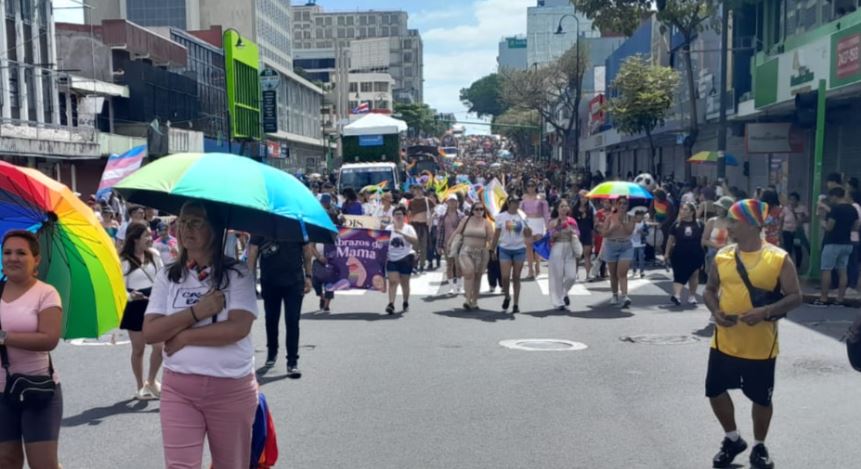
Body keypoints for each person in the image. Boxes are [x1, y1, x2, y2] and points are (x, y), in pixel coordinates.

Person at [144, 201, 259, 469]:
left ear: (216, 229)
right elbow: (151, 332)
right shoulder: (168, 276)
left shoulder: (238, 274)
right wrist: (196, 312)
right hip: (179, 389)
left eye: (196, 222)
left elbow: (238, 328)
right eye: (183, 221)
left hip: (231, 389)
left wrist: (184, 337)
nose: (186, 229)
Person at [703, 199, 802, 469]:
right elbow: (709, 290)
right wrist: (716, 311)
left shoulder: (778, 257)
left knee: (761, 398)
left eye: (734, 221)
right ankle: (732, 438)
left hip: (761, 346)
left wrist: (765, 312)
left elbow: (795, 297)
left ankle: (759, 446)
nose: (729, 226)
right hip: (724, 343)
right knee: (715, 391)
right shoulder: (723, 256)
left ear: (751, 224)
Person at [0, 230, 63, 469]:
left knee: (44, 464)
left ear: (36, 259)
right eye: (7, 252)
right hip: (0, 393)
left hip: (37, 389)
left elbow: (48, 339)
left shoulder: (46, 293)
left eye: (20, 253)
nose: (12, 258)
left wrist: (4, 337)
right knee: (6, 461)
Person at [247, 235, 314, 377]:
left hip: (294, 281)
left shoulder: (296, 221)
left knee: (292, 321)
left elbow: (306, 250)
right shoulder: (262, 224)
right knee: (271, 319)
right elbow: (253, 250)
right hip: (269, 281)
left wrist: (308, 276)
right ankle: (272, 352)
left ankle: (292, 362)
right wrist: (249, 279)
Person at [119, 223, 165, 400]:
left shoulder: (154, 255)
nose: (150, 239)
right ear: (135, 238)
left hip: (154, 303)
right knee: (138, 349)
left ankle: (151, 381)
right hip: (135, 305)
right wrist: (130, 296)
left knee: (159, 347)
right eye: (145, 236)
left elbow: (162, 278)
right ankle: (140, 386)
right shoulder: (124, 261)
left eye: (150, 235)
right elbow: (120, 289)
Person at [813, 187, 860, 306]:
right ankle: (840, 299)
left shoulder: (835, 209)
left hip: (832, 243)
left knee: (826, 269)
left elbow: (829, 227)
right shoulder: (852, 209)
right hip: (847, 243)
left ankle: (823, 299)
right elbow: (856, 227)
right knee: (843, 271)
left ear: (835, 196)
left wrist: (821, 221)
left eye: (831, 198)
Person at [491, 196, 532, 313]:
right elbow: (496, 234)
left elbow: (528, 234)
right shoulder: (500, 217)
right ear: (508, 203)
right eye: (513, 202)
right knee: (505, 276)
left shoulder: (522, 216)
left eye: (517, 202)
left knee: (516, 277)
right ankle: (507, 296)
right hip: (505, 249)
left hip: (519, 249)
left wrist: (528, 229)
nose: (516, 204)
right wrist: (492, 249)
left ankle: (515, 304)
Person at [453, 202, 494, 310]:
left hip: (481, 252)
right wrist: (449, 243)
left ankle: (474, 300)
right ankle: (467, 299)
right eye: (477, 209)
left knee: (477, 277)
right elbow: (457, 232)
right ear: (472, 210)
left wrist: (493, 248)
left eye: (481, 209)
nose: (479, 211)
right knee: (469, 272)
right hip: (466, 250)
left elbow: (491, 238)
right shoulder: (466, 220)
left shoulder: (486, 223)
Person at [596, 197, 636, 308]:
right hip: (611, 245)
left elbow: (629, 231)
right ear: (616, 205)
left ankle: (624, 296)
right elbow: (604, 233)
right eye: (620, 203)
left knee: (622, 273)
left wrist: (623, 223)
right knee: (613, 274)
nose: (622, 205)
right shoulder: (610, 217)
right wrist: (612, 229)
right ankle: (614, 295)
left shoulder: (630, 218)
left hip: (626, 246)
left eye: (625, 203)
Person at [666, 202, 706, 305]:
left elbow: (703, 239)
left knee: (694, 274)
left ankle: (692, 296)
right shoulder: (677, 224)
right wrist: (666, 253)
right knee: (678, 274)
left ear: (692, 212)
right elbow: (670, 239)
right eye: (682, 209)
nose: (682, 211)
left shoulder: (699, 224)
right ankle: (677, 296)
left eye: (686, 209)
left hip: (695, 253)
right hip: (679, 253)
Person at [548, 199, 581, 310]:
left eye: (566, 206)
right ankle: (558, 302)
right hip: (557, 248)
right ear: (557, 208)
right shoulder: (553, 222)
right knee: (557, 276)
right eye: (562, 206)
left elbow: (578, 234)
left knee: (571, 276)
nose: (564, 208)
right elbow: (550, 237)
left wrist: (572, 231)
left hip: (569, 248)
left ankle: (563, 293)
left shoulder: (572, 221)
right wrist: (556, 231)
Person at [385, 206, 418, 314]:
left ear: (404, 216)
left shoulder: (409, 228)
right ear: (393, 217)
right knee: (393, 282)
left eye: (400, 214)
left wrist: (402, 233)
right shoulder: (388, 229)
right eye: (396, 214)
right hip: (392, 258)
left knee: (405, 282)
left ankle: (405, 301)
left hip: (405, 258)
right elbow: (382, 242)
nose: (398, 216)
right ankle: (391, 304)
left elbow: (415, 241)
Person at [437, 195, 465, 295]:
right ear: (447, 202)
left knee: (458, 265)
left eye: (454, 201)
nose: (452, 203)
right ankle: (451, 287)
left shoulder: (461, 215)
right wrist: (439, 246)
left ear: (457, 202)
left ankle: (459, 285)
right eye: (450, 201)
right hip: (446, 243)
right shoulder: (442, 216)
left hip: (459, 243)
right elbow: (440, 232)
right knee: (449, 265)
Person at [522, 181, 550, 279]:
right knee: (528, 247)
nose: (530, 187)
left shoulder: (540, 197)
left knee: (537, 246)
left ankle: (538, 268)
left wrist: (547, 225)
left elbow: (546, 212)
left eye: (532, 185)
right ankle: (530, 270)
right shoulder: (524, 198)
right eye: (529, 185)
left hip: (538, 221)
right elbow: (520, 212)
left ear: (535, 187)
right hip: (528, 222)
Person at [703, 196, 735, 276]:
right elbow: (704, 240)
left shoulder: (733, 223)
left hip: (728, 255)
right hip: (713, 254)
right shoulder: (712, 221)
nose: (717, 209)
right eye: (717, 207)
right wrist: (718, 246)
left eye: (720, 208)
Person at [408, 185, 433, 272]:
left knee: (423, 246)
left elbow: (434, 211)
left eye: (420, 190)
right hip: (414, 226)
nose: (418, 191)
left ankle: (422, 265)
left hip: (424, 225)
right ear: (414, 191)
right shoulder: (411, 202)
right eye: (416, 190)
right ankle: (414, 265)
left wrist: (429, 219)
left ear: (423, 190)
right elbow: (409, 213)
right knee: (414, 247)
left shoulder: (427, 200)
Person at [779, 192, 808, 268]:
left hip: (797, 232)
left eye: (794, 200)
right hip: (786, 231)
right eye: (790, 199)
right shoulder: (785, 209)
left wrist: (801, 218)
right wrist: (780, 232)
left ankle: (798, 266)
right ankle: (789, 266)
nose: (792, 202)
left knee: (797, 248)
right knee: (788, 249)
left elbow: (807, 218)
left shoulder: (802, 208)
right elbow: (781, 220)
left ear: (797, 201)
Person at [573, 193, 595, 281]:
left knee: (587, 254)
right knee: (577, 255)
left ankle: (588, 274)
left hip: (587, 232)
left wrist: (593, 235)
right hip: (577, 233)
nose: (583, 199)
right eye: (582, 197)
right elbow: (572, 221)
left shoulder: (590, 209)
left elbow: (592, 223)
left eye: (585, 197)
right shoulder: (574, 209)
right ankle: (575, 274)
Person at [630, 207, 648, 278]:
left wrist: (641, 232)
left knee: (641, 257)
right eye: (638, 215)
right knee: (633, 258)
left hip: (641, 243)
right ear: (636, 216)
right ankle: (634, 271)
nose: (640, 217)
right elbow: (628, 232)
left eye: (641, 216)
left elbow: (647, 233)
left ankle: (642, 271)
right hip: (633, 243)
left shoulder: (644, 224)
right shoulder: (632, 223)